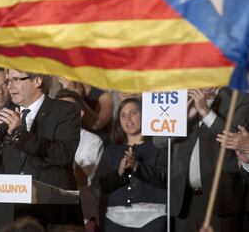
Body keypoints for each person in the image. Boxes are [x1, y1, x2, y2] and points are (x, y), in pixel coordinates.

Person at [0, 68, 82, 227]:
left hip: (54, 215)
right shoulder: (5, 118)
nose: (9, 87)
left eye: (16, 80)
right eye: (8, 81)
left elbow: (63, 154)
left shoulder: (65, 110)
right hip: (15, 218)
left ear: (37, 80)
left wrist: (20, 133)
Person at [171, 88, 249, 232]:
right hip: (184, 202)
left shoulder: (240, 99)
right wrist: (184, 118)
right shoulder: (181, 100)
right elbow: (159, 141)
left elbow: (239, 140)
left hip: (221, 202)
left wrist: (206, 112)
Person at [98, 97, 167, 232]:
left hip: (152, 218)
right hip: (116, 220)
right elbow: (103, 184)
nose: (128, 118)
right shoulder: (111, 150)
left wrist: (137, 166)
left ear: (145, 115)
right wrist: (119, 171)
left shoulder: (159, 146)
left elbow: (164, 178)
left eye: (133, 113)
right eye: (123, 115)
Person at [56, 89, 104, 232]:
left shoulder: (93, 141)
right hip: (52, 214)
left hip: (82, 218)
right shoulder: (43, 138)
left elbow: (84, 181)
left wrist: (66, 154)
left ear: (81, 114)